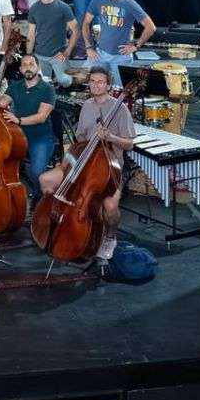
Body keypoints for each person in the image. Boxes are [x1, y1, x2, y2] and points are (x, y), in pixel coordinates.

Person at [38, 67, 135, 264]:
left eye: (100, 81)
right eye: (92, 81)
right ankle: (56, 218)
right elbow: (81, 137)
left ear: (108, 85)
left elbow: (130, 144)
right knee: (45, 179)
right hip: (82, 164)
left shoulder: (120, 108)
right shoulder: (87, 106)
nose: (96, 85)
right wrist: (69, 159)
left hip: (108, 169)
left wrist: (111, 137)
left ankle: (109, 237)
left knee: (109, 205)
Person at [84, 0, 156, 84]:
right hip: (100, 54)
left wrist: (136, 46)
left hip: (121, 57)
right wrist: (88, 47)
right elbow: (86, 23)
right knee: (85, 81)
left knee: (122, 92)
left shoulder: (129, 3)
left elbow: (151, 27)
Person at [4, 50, 58, 196]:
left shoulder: (48, 89)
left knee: (37, 172)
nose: (28, 67)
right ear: (21, 69)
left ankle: (41, 194)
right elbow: (2, 102)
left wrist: (18, 120)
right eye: (24, 65)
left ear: (38, 67)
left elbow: (42, 116)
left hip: (41, 137)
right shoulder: (15, 86)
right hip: (18, 137)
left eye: (31, 64)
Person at [24, 0, 79, 86]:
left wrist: (67, 52)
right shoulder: (34, 8)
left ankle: (60, 77)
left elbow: (75, 30)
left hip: (58, 54)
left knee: (65, 81)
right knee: (41, 84)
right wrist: (29, 55)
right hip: (40, 54)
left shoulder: (63, 7)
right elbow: (30, 34)